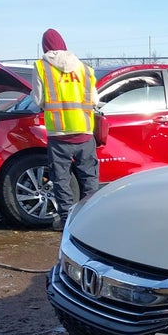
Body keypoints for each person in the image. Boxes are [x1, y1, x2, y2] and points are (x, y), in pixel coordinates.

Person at [31, 28, 100, 231]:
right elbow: (94, 100)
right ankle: (92, 218)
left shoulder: (41, 66)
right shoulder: (85, 69)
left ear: (45, 46)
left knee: (61, 180)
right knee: (89, 178)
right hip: (84, 132)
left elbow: (37, 100)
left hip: (59, 135)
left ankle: (67, 221)